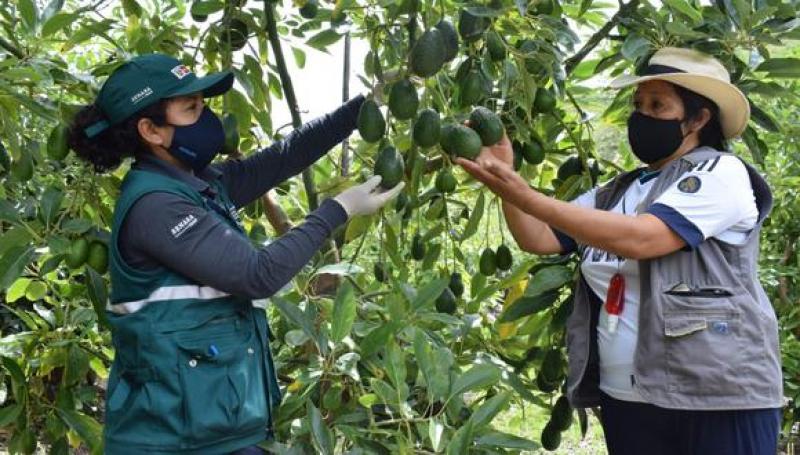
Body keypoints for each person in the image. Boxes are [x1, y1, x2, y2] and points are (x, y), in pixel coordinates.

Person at [67, 54, 403, 454]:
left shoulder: (198, 184)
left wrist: (364, 107)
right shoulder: (157, 206)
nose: (208, 118)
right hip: (173, 441)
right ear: (151, 130)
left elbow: (286, 155)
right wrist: (338, 209)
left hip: (217, 429)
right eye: (191, 108)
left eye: (203, 104)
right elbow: (257, 274)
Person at [458, 47, 782, 454]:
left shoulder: (720, 173)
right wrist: (504, 178)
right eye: (638, 104)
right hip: (628, 399)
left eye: (657, 105)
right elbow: (539, 236)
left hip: (715, 397)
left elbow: (643, 238)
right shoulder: (621, 191)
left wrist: (525, 194)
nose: (641, 115)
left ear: (699, 119)